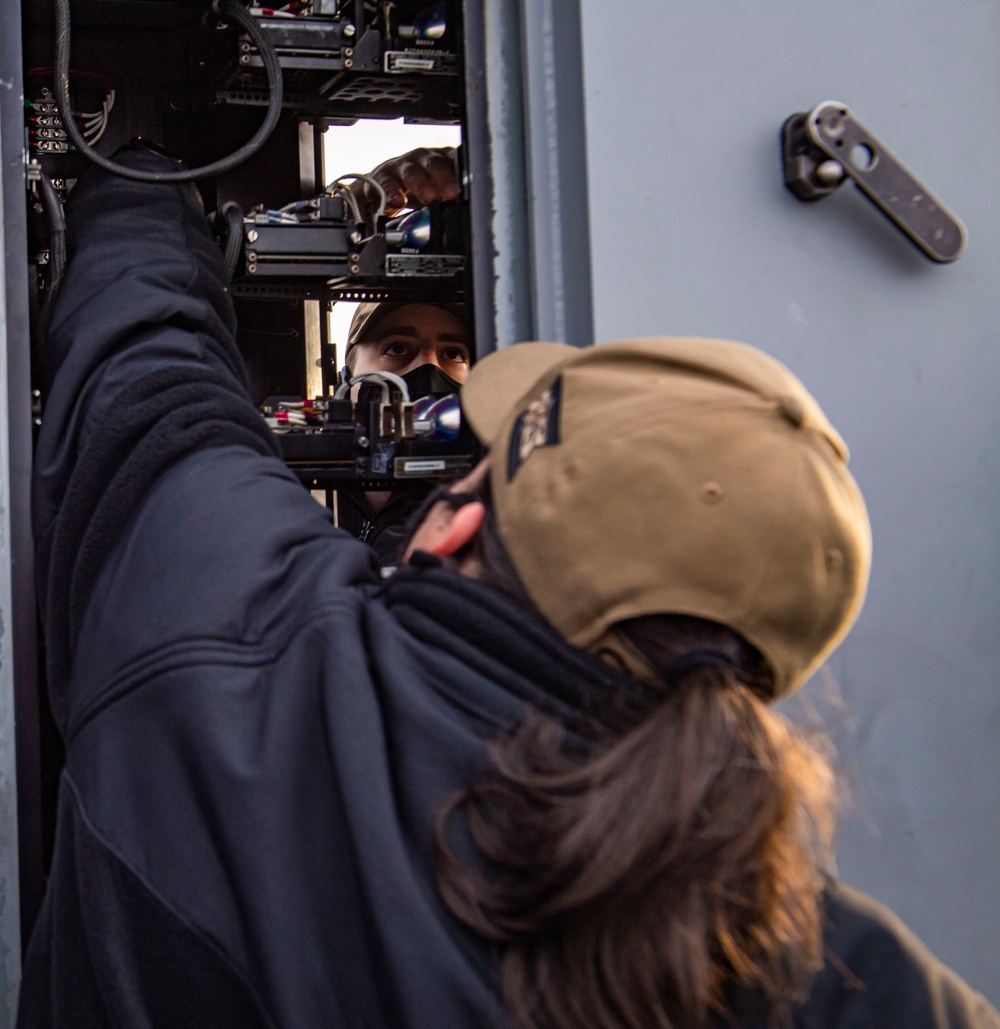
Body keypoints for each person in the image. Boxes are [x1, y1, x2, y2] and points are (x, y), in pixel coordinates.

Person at [20, 142, 1000, 1029]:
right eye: (398, 353)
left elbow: (149, 377)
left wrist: (138, 175)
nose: (430, 377)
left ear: (455, 526)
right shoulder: (829, 973)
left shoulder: (241, 650)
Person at [335, 298, 471, 560]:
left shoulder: (497, 503)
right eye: (397, 348)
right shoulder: (302, 498)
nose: (427, 369)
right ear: (347, 380)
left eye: (453, 354)